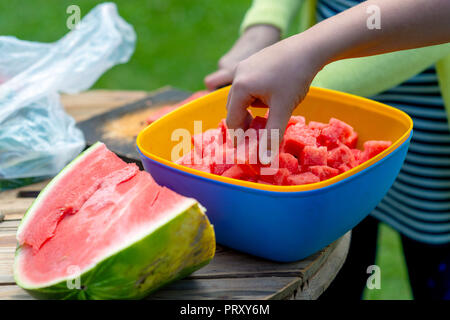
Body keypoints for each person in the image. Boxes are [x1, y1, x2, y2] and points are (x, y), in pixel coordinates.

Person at [205, 0, 450, 300]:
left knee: (433, 262)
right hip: (332, 131)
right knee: (340, 264)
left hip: (432, 135)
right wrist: (262, 29)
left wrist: (306, 67)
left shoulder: (312, 68)